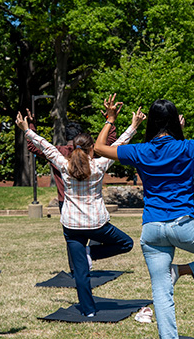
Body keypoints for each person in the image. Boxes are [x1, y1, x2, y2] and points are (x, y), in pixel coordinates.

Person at [93, 93, 194, 339]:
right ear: (175, 121)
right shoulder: (187, 147)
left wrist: (110, 120)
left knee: (161, 290)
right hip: (183, 226)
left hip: (151, 230)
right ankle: (181, 271)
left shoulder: (140, 150)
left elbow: (100, 148)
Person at [18, 106, 142, 317]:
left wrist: (26, 129)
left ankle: (89, 310)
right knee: (126, 243)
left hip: (72, 225)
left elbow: (45, 146)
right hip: (96, 225)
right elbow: (118, 145)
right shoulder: (99, 165)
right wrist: (132, 126)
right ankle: (90, 253)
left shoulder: (64, 165)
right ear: (92, 148)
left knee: (81, 271)